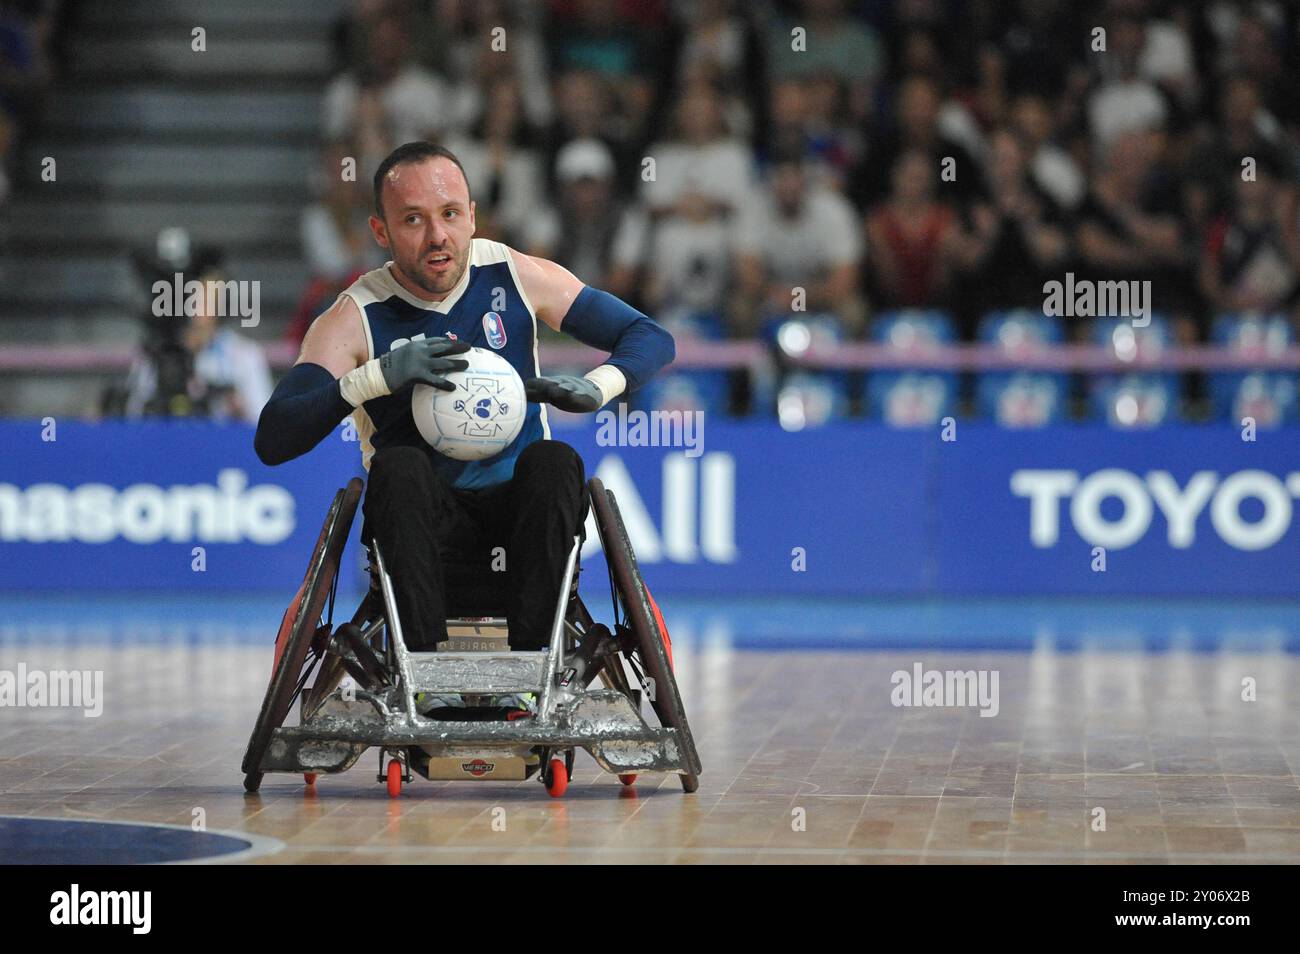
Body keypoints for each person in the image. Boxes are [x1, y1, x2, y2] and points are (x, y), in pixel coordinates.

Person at [254, 141, 674, 666]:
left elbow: (650, 336)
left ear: (472, 217)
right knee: (399, 466)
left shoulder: (514, 274)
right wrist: (372, 378)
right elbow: (273, 438)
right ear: (380, 232)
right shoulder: (352, 315)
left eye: (450, 214)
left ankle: (534, 668)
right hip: (420, 536)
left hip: (524, 528)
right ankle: (424, 672)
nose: (438, 237)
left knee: (556, 461)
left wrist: (601, 386)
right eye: (413, 219)